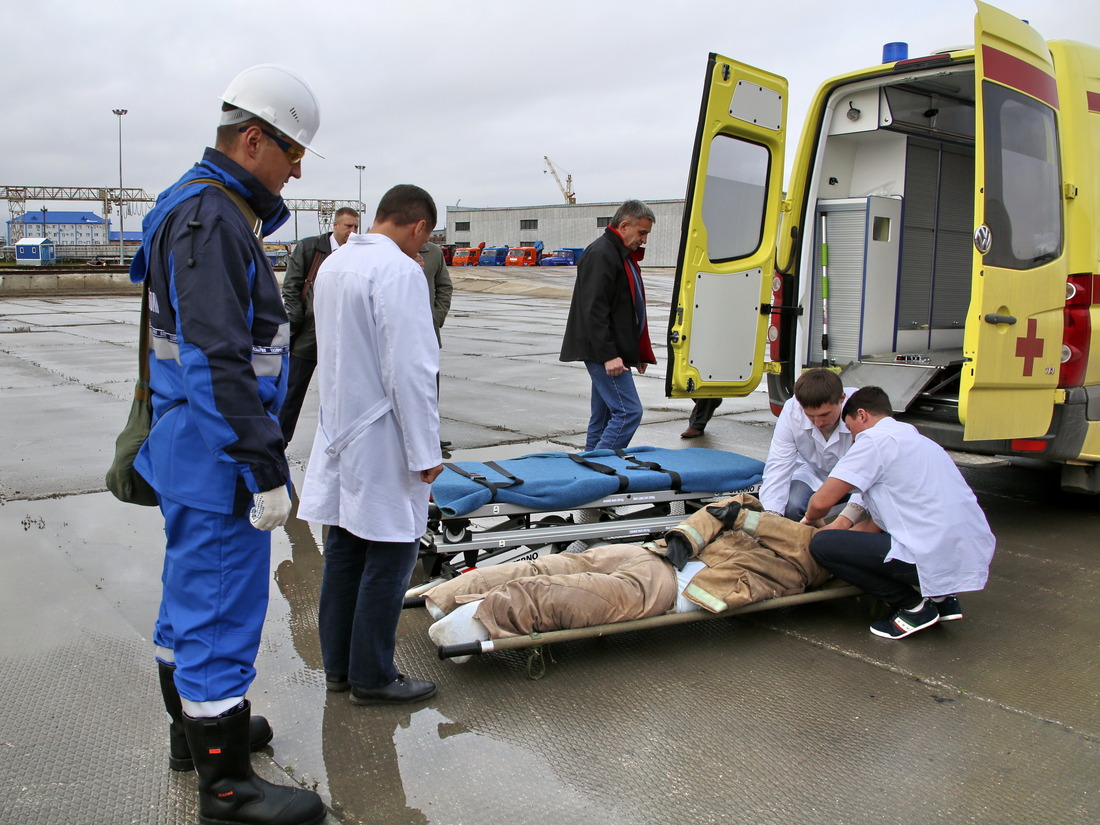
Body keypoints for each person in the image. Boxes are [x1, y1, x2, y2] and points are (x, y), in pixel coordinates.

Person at [132, 65, 325, 825]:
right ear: (254, 140)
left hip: (189, 445)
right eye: (292, 151)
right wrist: (261, 463)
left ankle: (196, 734)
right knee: (219, 607)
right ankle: (227, 787)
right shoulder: (213, 219)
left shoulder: (196, 205)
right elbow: (219, 356)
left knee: (186, 604)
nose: (297, 168)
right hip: (218, 455)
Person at [297, 184, 444, 706]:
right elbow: (410, 368)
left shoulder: (336, 265)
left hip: (341, 426)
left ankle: (339, 668)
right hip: (382, 434)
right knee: (391, 552)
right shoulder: (399, 270)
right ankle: (373, 675)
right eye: (424, 241)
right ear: (418, 228)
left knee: (344, 550)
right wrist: (426, 452)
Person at [425, 494, 828, 656]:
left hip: (673, 586)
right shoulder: (760, 513)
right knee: (552, 565)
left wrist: (746, 519)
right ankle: (447, 595)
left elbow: (809, 547)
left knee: (567, 590)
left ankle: (479, 617)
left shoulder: (810, 555)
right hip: (653, 555)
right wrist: (686, 537)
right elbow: (725, 507)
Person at [804, 386, 996, 639]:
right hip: (969, 551)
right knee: (844, 541)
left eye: (850, 430)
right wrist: (844, 533)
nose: (852, 438)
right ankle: (942, 599)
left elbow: (821, 502)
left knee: (823, 544)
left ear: (862, 415)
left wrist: (809, 521)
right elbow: (877, 524)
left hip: (930, 551)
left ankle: (912, 607)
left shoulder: (873, 440)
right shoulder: (918, 441)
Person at [559, 200, 656, 450]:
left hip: (614, 351)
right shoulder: (603, 253)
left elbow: (625, 308)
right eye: (642, 232)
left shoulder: (619, 254)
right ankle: (599, 468)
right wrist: (609, 355)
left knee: (602, 418)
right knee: (628, 413)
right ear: (624, 225)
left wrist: (634, 352)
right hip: (604, 352)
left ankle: (588, 469)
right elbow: (594, 310)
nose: (644, 240)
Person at [279, 206, 360, 445]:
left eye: (356, 226)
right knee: (291, 394)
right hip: (309, 335)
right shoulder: (310, 248)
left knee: (344, 396)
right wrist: (296, 322)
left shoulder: (359, 253)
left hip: (344, 337)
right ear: (334, 226)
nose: (352, 231)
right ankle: (278, 444)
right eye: (348, 226)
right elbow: (291, 287)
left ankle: (343, 444)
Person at [759, 368, 862, 521]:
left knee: (869, 511)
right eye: (810, 416)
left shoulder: (861, 410)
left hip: (857, 479)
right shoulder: (791, 411)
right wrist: (771, 517)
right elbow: (778, 465)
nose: (819, 423)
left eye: (825, 414)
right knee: (792, 506)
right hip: (814, 473)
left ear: (842, 398)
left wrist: (846, 519)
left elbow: (872, 471)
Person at [417, 239, 453, 451]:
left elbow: (444, 287)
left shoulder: (433, 252)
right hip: (397, 334)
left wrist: (436, 318)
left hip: (428, 333)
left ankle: (430, 438)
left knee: (430, 388)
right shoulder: (391, 248)